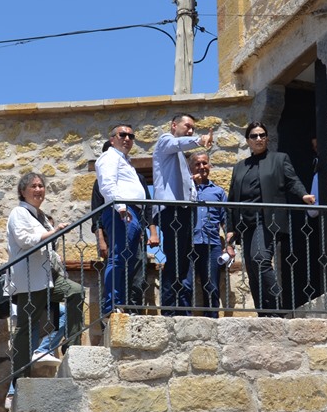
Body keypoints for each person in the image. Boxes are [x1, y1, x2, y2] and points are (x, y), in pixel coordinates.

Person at [226, 122, 316, 315]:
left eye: (262, 135)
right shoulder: (240, 167)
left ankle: (276, 306)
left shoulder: (279, 159)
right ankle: (264, 312)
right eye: (254, 136)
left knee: (260, 259)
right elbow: (232, 199)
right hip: (246, 223)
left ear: (267, 138)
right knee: (251, 269)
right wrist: (231, 228)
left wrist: (303, 195)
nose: (258, 139)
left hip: (267, 220)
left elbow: (292, 181)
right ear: (248, 141)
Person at [7, 173, 84, 394]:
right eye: (34, 186)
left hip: (47, 278)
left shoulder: (38, 215)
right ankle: (19, 382)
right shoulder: (19, 213)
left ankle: (71, 347)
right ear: (23, 191)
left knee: (75, 292)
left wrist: (53, 234)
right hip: (30, 281)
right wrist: (52, 233)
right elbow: (25, 239)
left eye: (41, 186)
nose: (39, 190)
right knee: (25, 330)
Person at [151, 114, 213, 313]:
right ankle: (170, 311)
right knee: (174, 264)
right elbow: (177, 143)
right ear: (174, 125)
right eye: (187, 126)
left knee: (183, 263)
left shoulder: (178, 157)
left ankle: (183, 311)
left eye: (193, 129)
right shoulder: (165, 141)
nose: (190, 130)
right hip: (173, 212)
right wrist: (199, 140)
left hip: (184, 212)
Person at [96, 124, 148, 316]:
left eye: (131, 136)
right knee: (118, 259)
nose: (127, 138)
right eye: (122, 134)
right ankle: (111, 305)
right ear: (112, 139)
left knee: (126, 261)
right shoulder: (109, 157)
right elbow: (107, 184)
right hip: (122, 211)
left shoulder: (125, 161)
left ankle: (119, 304)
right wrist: (121, 207)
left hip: (131, 212)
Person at [187, 151, 235, 317]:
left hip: (212, 244)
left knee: (212, 285)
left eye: (205, 163)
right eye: (197, 164)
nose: (202, 167)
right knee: (186, 284)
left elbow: (226, 221)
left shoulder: (218, 192)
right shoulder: (185, 189)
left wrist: (229, 245)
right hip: (189, 243)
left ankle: (212, 321)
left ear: (209, 165)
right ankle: (184, 319)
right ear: (191, 167)